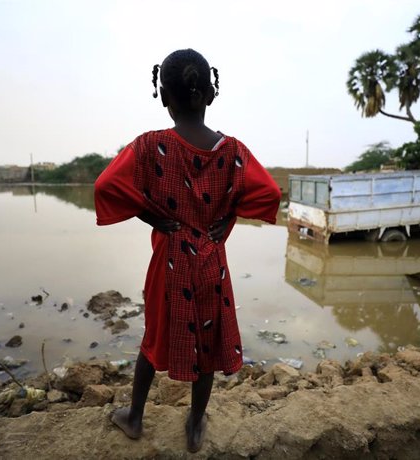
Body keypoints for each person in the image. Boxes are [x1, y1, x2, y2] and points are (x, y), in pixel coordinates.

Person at [94, 48, 281, 453]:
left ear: (164, 97)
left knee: (153, 337)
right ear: (210, 94)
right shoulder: (233, 151)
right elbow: (268, 192)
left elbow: (105, 186)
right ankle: (196, 425)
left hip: (170, 257)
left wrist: (152, 217)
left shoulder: (148, 146)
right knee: (208, 344)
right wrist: (226, 219)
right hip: (212, 257)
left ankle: (135, 417)